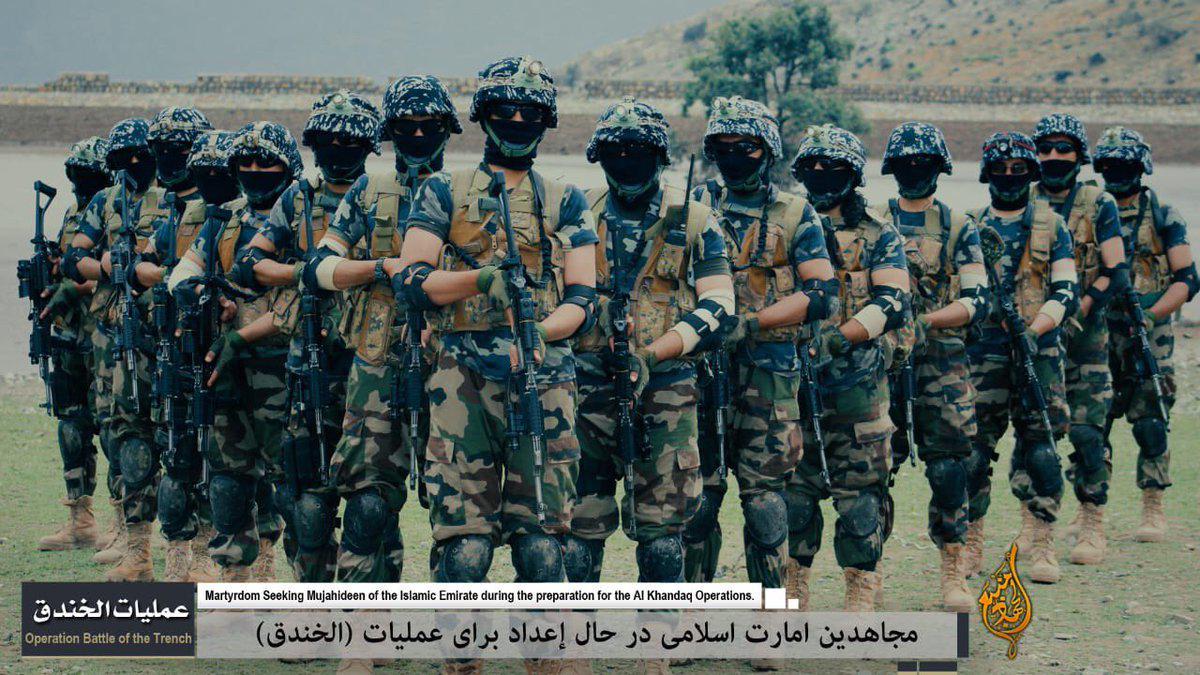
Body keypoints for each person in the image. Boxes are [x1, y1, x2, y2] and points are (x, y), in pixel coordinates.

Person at [565, 97, 732, 593]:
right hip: (586, 388)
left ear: (659, 156)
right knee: (577, 536)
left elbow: (720, 305)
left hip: (667, 392)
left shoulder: (695, 219)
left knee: (662, 540)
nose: (627, 161)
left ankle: (656, 636)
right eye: (615, 151)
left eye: (638, 151)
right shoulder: (579, 212)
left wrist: (654, 354)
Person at [682, 96, 837, 610]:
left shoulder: (796, 212)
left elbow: (822, 294)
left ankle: (770, 614)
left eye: (745, 146)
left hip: (770, 374)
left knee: (766, 503)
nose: (734, 156)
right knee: (698, 499)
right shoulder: (694, 204)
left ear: (767, 150)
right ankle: (689, 615)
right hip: (700, 372)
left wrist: (751, 323)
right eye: (723, 147)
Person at [234, 91, 383, 584]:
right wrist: (304, 274)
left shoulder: (386, 196)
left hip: (372, 361)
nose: (338, 149)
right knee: (306, 500)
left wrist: (348, 274)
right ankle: (312, 597)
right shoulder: (297, 198)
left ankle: (369, 609)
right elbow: (251, 263)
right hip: (309, 361)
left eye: (349, 141)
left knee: (372, 500)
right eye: (328, 140)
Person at [167, 121, 304, 582]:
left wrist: (244, 334)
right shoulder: (224, 220)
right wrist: (207, 297)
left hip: (282, 369)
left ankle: (285, 572)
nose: (255, 170)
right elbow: (183, 273)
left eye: (266, 162)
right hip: (224, 370)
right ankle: (235, 578)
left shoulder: (301, 219)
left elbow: (304, 296)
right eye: (245, 162)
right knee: (227, 479)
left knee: (292, 481)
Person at [785, 124, 910, 611]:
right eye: (812, 166)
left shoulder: (879, 234)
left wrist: (843, 338)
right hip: (792, 384)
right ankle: (793, 585)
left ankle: (861, 585)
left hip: (859, 387)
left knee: (861, 498)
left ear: (853, 173)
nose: (821, 174)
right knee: (794, 495)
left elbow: (894, 301)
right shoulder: (788, 226)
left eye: (832, 166)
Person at [876, 122, 988, 611]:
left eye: (923, 162)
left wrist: (925, 322)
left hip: (941, 364)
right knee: (874, 471)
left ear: (939, 169)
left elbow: (976, 299)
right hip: (882, 363)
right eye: (906, 162)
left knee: (948, 470)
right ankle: (869, 572)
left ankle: (953, 572)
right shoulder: (874, 221)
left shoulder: (960, 226)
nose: (914, 170)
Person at [62, 118, 174, 581]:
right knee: (121, 434)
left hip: (166, 330)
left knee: (178, 435)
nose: (132, 164)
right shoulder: (106, 201)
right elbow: (73, 259)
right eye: (122, 158)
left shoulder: (174, 197)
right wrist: (106, 266)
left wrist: (148, 270)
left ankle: (185, 546)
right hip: (116, 334)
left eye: (140, 155)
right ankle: (134, 543)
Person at [963, 132, 1076, 584]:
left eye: (1018, 170)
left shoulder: (1053, 225)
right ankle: (971, 541)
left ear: (1031, 173)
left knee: (1042, 451)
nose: (1009, 177)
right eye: (1000, 169)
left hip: (1038, 353)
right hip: (982, 355)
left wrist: (1035, 330)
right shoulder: (970, 225)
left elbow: (1065, 290)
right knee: (973, 453)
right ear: (986, 173)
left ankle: (1042, 541)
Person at [1030, 113, 1127, 565]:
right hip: (1037, 341)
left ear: (1079, 155)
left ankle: (1092, 519)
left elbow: (1115, 272)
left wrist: (1076, 310)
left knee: (1088, 432)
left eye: (1063, 148)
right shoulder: (1025, 200)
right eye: (1045, 148)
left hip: (1086, 340)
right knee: (1037, 436)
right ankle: (1036, 523)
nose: (1053, 156)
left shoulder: (1099, 203)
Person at [1094, 126, 1197, 543]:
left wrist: (1152, 316)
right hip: (1099, 331)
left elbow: (1187, 279)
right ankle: (1091, 509)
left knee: (1151, 420)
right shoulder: (1091, 210)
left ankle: (1153, 504)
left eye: (1124, 163)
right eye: (1110, 164)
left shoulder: (1163, 214)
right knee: (1093, 422)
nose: (1117, 171)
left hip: (1147, 333)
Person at [137, 107, 216, 581]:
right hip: (172, 347)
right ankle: (178, 556)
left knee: (219, 457)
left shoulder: (220, 208)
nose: (169, 158)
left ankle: (211, 555)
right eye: (162, 149)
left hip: (214, 348)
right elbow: (140, 268)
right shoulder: (175, 214)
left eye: (179, 149)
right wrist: (172, 277)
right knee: (177, 453)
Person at [36, 136, 112, 553]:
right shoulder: (72, 213)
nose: (82, 181)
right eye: (76, 173)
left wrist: (74, 287)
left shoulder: (115, 210)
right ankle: (80, 519)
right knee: (71, 426)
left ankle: (125, 525)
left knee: (115, 428)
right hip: (68, 334)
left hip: (103, 334)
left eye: (89, 173)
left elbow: (117, 272)